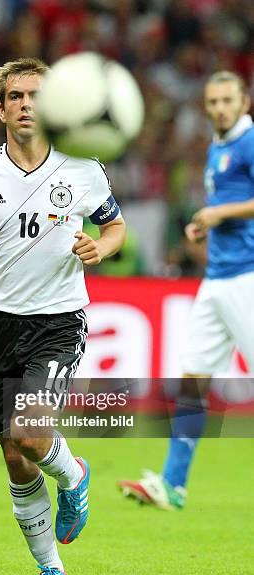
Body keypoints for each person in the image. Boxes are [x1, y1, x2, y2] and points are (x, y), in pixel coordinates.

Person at [0, 58, 126, 575]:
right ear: (1, 108)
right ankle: (51, 570)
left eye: (35, 96)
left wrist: (100, 248)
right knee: (15, 457)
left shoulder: (83, 167)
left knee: (30, 432)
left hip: (58, 321)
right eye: (15, 97)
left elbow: (115, 226)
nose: (25, 105)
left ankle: (75, 474)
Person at [119, 70, 254, 510]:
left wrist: (219, 214)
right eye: (212, 101)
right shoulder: (218, 147)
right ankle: (172, 484)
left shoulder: (249, 141)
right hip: (216, 279)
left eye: (227, 101)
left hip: (246, 278)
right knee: (192, 379)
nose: (219, 108)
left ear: (244, 102)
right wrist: (206, 224)